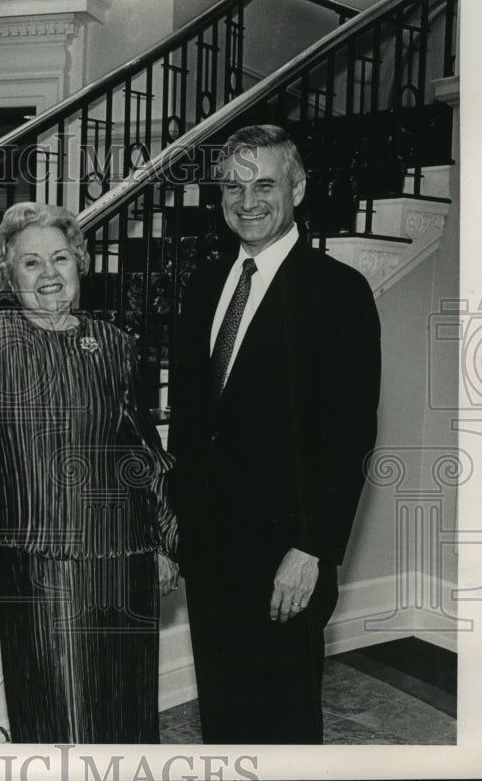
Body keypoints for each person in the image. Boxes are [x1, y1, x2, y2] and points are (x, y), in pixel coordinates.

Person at [0, 202, 179, 743]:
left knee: (128, 713)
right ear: (6, 273)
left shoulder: (116, 344)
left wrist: (165, 541)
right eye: (31, 263)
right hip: (42, 566)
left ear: (81, 263)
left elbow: (141, 448)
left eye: (61, 258)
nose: (49, 274)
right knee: (60, 721)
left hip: (128, 560)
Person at [167, 124, 381, 744]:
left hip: (287, 555)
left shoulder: (338, 291)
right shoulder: (205, 285)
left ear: (298, 187)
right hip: (211, 550)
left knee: (284, 722)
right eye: (233, 186)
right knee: (226, 717)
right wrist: (174, 526)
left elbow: (349, 434)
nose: (248, 200)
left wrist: (312, 548)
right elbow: (189, 421)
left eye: (265, 183)